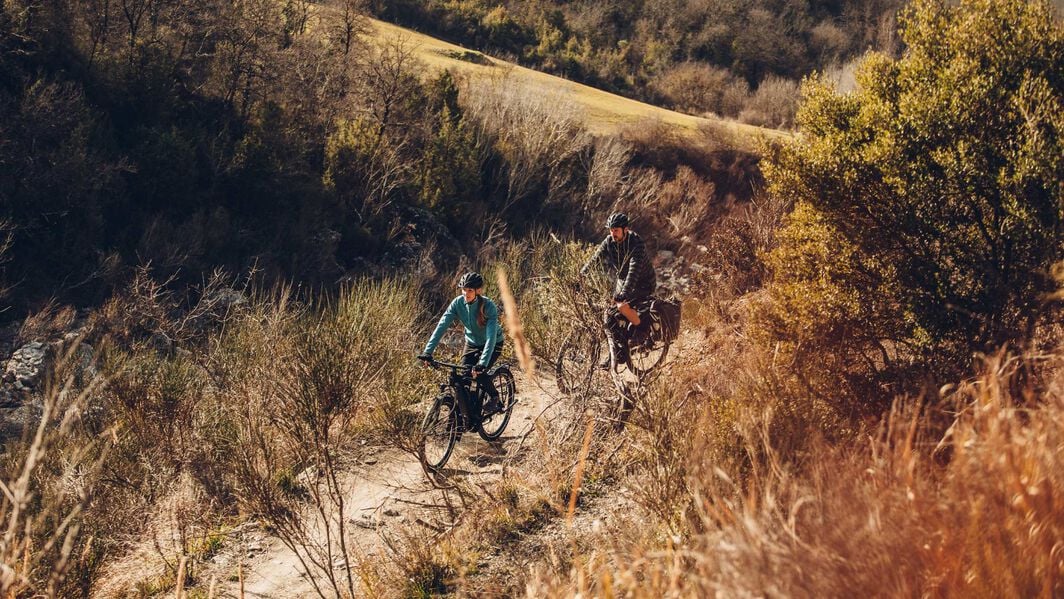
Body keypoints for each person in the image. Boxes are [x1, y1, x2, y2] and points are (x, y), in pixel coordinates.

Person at [418, 271, 505, 424]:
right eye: (463, 289)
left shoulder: (488, 306)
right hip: (471, 343)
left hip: (493, 343)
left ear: (478, 291)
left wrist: (482, 364)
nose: (466, 293)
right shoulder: (458, 303)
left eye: (470, 290)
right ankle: (469, 414)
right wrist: (428, 351)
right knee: (463, 379)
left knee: (480, 373)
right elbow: (441, 326)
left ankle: (494, 397)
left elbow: (491, 337)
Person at [580, 212, 657, 370]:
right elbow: (595, 259)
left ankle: (643, 331)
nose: (612, 233)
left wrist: (623, 295)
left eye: (616, 230)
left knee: (622, 306)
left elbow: (633, 272)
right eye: (610, 230)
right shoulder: (609, 241)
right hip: (623, 281)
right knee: (610, 316)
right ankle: (616, 353)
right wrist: (580, 276)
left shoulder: (636, 243)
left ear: (625, 229)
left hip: (643, 282)